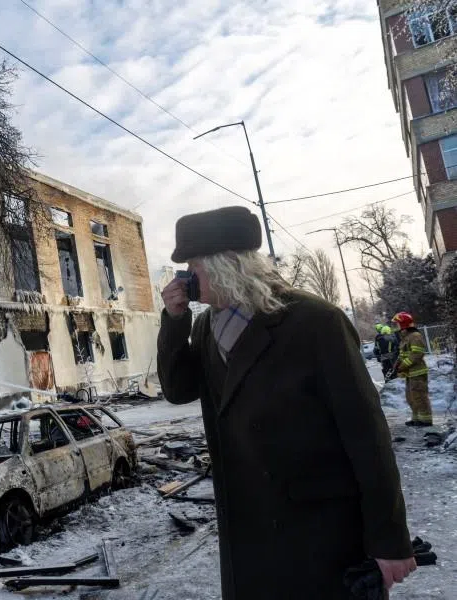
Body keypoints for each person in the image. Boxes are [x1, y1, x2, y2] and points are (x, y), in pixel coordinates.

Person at [157, 206, 414, 599]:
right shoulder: (207, 326)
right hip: (248, 530)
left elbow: (367, 435)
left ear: (225, 265)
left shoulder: (314, 321)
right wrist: (174, 321)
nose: (185, 278)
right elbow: (178, 390)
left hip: (319, 532)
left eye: (192, 265)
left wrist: (389, 539)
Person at [392, 312, 432, 426]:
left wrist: (402, 365)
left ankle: (426, 420)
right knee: (411, 397)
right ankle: (416, 418)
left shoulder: (415, 336)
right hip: (410, 373)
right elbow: (403, 353)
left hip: (417, 372)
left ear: (403, 324)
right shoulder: (406, 337)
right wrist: (397, 363)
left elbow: (417, 354)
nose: (396, 327)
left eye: (397, 324)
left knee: (420, 397)